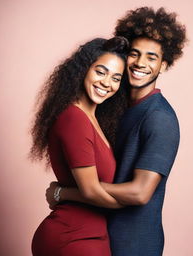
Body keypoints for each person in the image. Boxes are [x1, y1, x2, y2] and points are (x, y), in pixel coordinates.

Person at [46, 6, 187, 256]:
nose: (140, 63)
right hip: (100, 236)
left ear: (164, 66)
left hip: (135, 243)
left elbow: (140, 192)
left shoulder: (160, 118)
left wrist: (65, 192)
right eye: (134, 53)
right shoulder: (112, 109)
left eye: (151, 57)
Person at [30, 36, 130, 256]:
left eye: (116, 78)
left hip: (89, 234)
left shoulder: (93, 119)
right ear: (84, 69)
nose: (107, 83)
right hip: (73, 238)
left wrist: (61, 193)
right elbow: (91, 190)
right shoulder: (74, 118)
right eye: (100, 72)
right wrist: (131, 207)